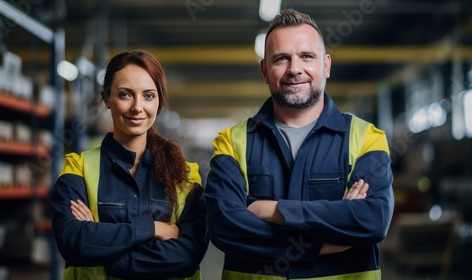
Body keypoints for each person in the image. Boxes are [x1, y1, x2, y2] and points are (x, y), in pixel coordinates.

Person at [204, 9, 394, 280]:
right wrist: (327, 241)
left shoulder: (366, 138)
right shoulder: (232, 142)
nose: (294, 69)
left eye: (306, 56)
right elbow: (225, 227)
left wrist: (273, 210)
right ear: (264, 70)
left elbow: (371, 220)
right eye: (281, 58)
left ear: (326, 65)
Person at [50, 50, 208, 279]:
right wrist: (155, 229)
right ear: (106, 98)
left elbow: (187, 257)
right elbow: (74, 242)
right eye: (125, 95)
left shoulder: (184, 174)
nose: (137, 107)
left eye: (148, 96)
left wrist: (104, 247)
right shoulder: (79, 169)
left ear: (159, 101)